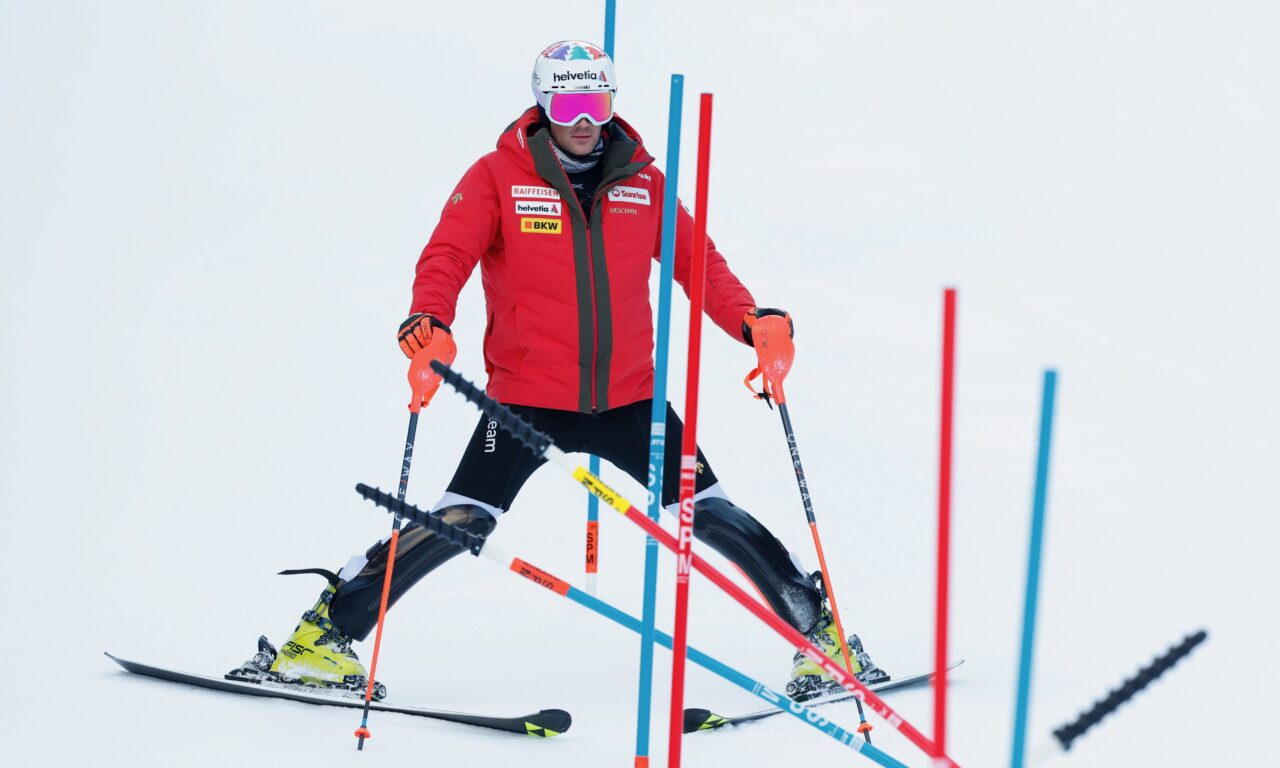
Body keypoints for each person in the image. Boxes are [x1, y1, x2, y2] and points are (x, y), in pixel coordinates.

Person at [231, 40, 886, 703]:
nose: (583, 119)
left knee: (711, 513)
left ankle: (824, 645)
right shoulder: (497, 175)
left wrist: (753, 322)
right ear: (544, 103)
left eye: (596, 103)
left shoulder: (644, 184)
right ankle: (321, 637)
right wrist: (429, 321)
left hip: (630, 400)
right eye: (569, 103)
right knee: (461, 520)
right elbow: (447, 255)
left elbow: (699, 264)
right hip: (525, 399)